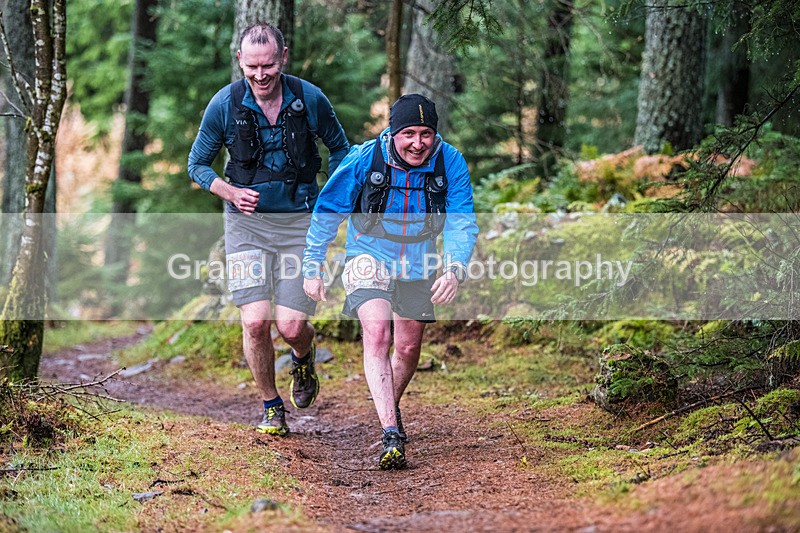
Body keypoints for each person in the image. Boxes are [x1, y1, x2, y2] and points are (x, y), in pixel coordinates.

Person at [188, 22, 349, 436]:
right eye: (252, 67)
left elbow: (343, 151)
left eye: (269, 66)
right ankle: (271, 407)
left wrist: (332, 204)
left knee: (291, 326)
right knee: (255, 322)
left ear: (284, 57)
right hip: (247, 227)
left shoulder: (310, 98)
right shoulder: (224, 104)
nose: (261, 76)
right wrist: (229, 191)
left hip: (300, 226)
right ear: (240, 60)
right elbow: (196, 166)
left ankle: (303, 356)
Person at [302, 94, 478, 469]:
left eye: (426, 133)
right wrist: (313, 266)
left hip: (419, 262)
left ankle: (387, 409)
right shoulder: (366, 157)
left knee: (409, 351)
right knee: (378, 334)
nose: (418, 143)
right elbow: (327, 210)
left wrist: (454, 267)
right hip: (368, 255)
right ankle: (391, 433)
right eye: (409, 134)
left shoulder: (451, 162)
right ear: (394, 132)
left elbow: (462, 219)